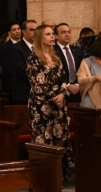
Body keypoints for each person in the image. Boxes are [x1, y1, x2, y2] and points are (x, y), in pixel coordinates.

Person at [26, 24, 73, 179]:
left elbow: (63, 80)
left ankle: (57, 173)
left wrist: (62, 95)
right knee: (44, 140)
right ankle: (43, 175)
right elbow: (37, 84)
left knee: (60, 138)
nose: (52, 36)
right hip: (42, 106)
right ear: (40, 38)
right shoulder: (33, 59)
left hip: (59, 105)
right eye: (48, 34)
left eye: (53, 34)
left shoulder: (56, 58)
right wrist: (56, 97)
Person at [9, 20, 37, 104]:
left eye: (36, 30)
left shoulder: (40, 47)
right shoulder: (16, 48)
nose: (35, 33)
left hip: (39, 94)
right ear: (24, 32)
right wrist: (41, 79)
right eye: (32, 30)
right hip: (24, 94)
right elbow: (21, 70)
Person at [53, 23, 83, 103]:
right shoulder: (52, 51)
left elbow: (82, 69)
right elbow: (53, 73)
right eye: (63, 32)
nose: (67, 34)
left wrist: (77, 85)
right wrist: (67, 85)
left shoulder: (77, 50)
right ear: (56, 36)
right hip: (59, 93)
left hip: (77, 91)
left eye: (69, 32)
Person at [0, 22, 21, 93]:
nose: (17, 31)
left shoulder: (24, 45)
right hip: (11, 82)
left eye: (19, 29)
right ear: (9, 33)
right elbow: (5, 65)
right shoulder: (4, 47)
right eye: (14, 29)